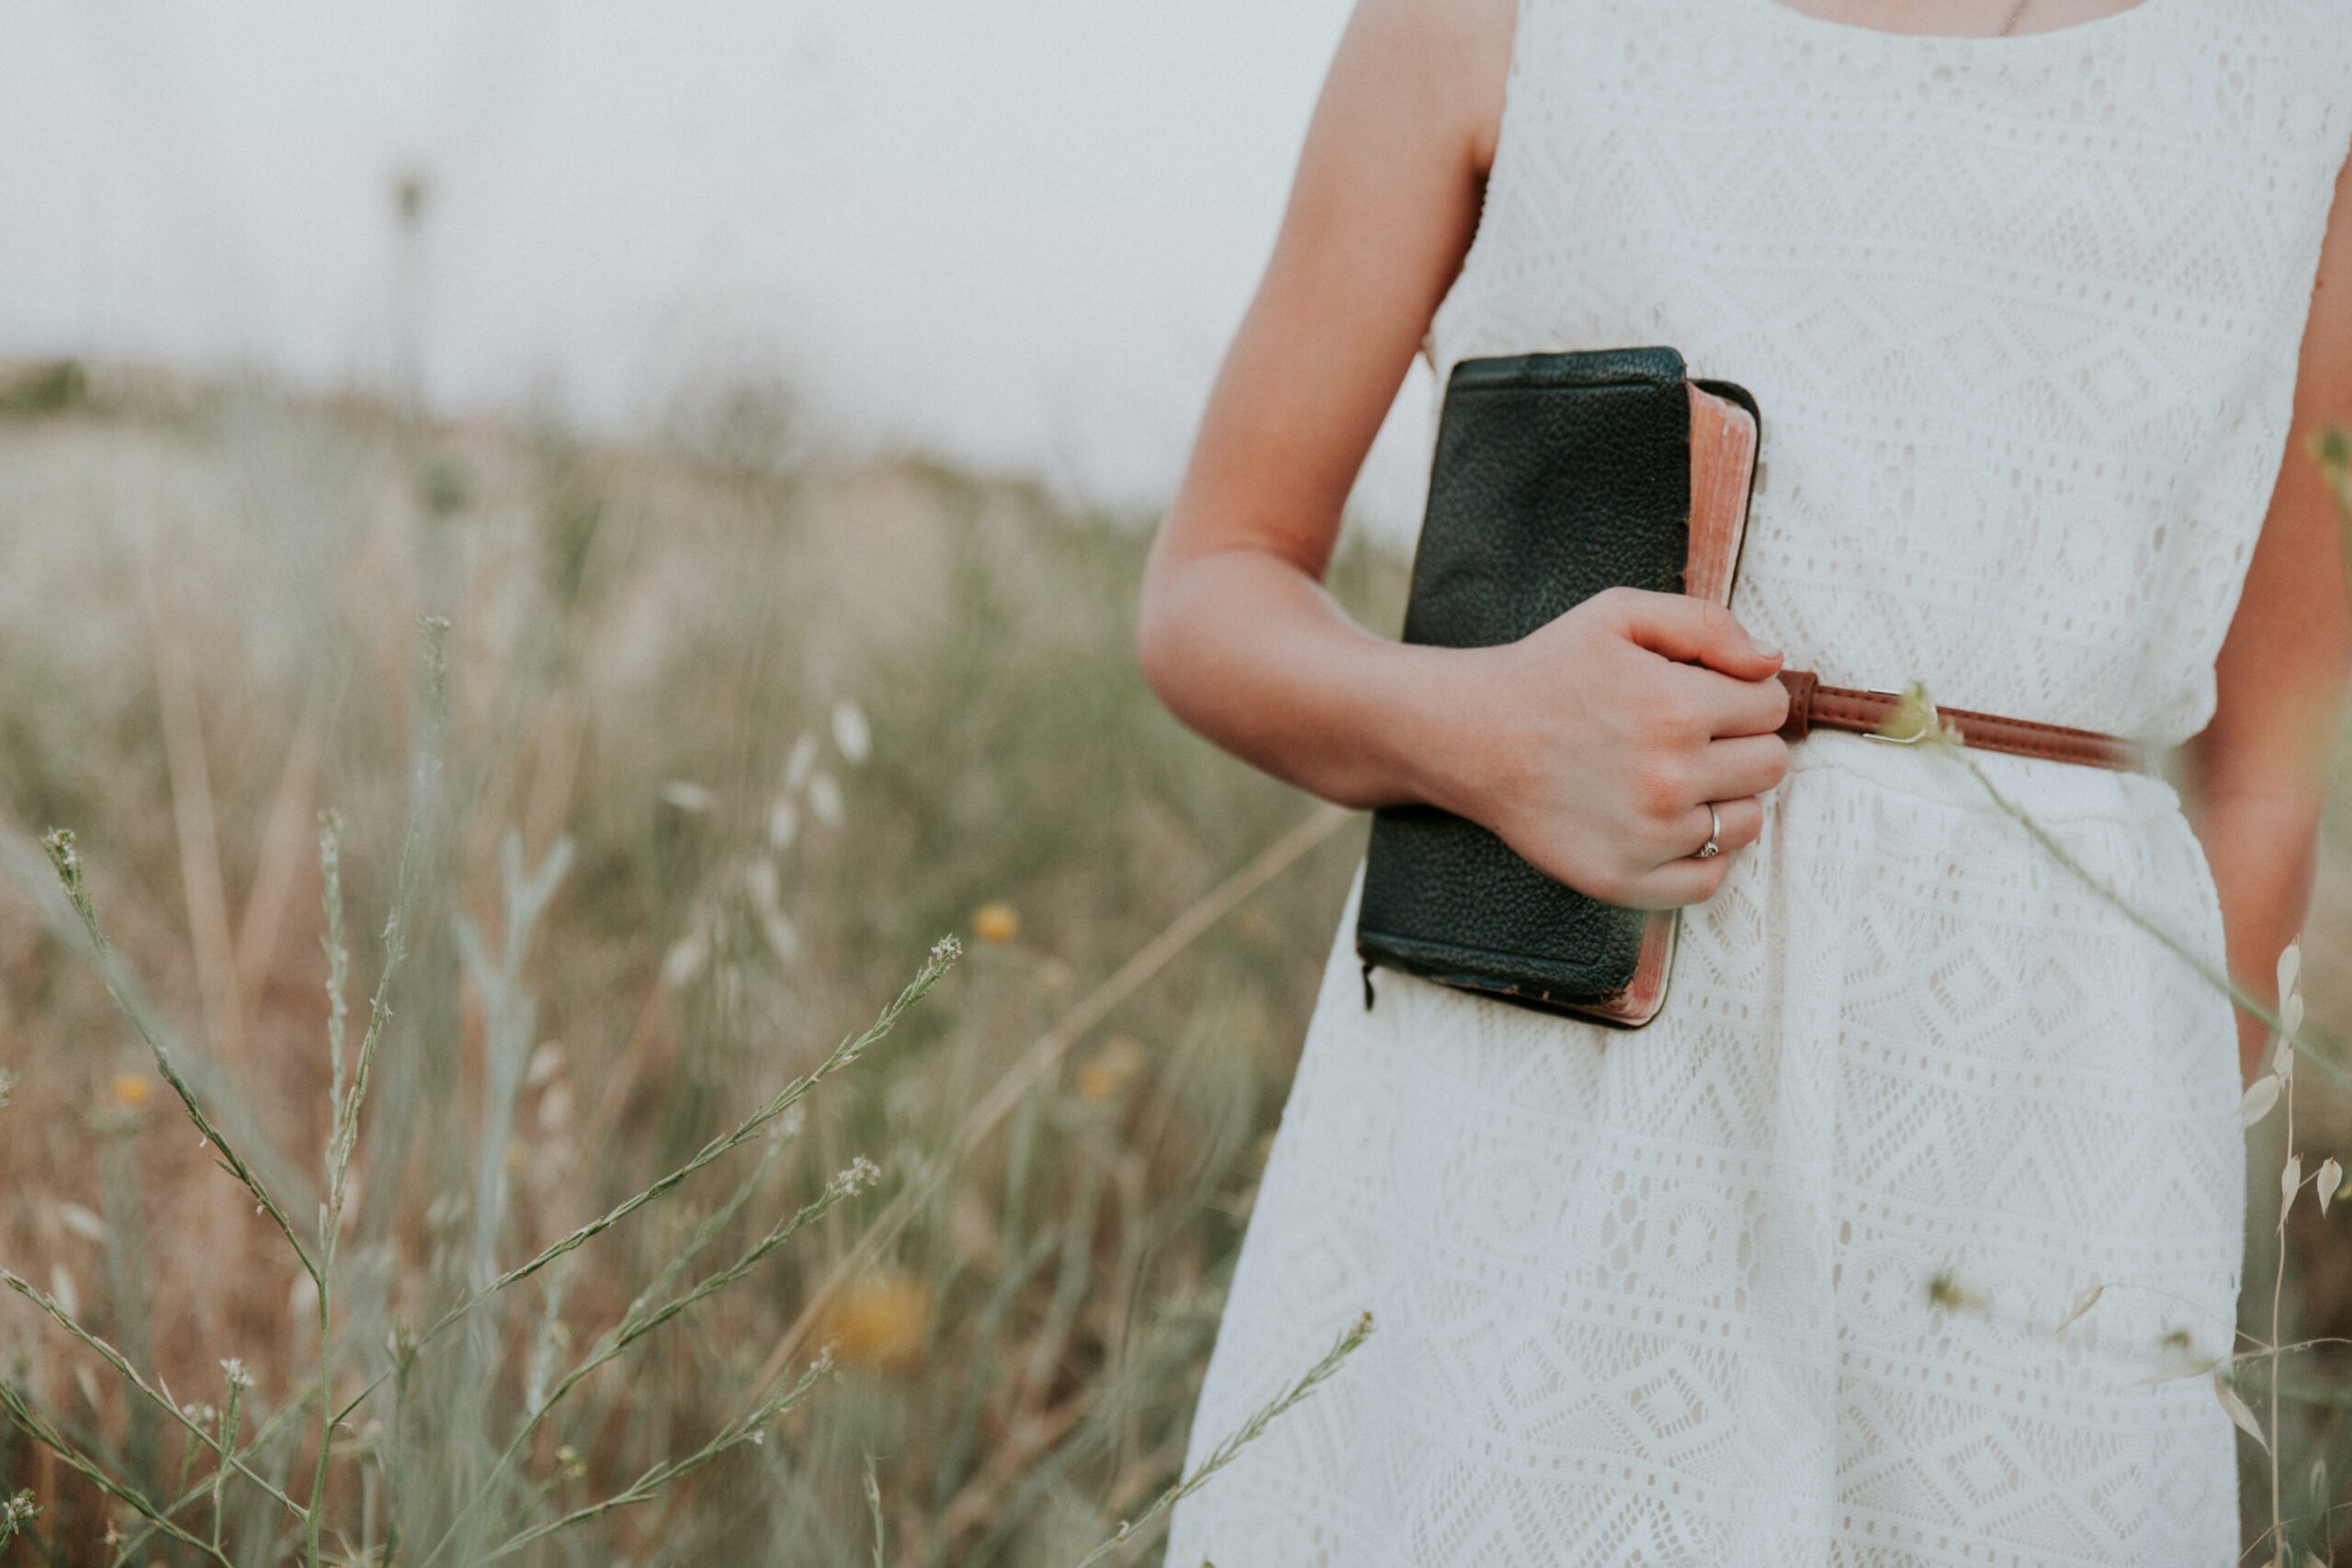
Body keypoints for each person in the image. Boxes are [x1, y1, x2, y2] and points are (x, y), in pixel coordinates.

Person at [1134, 0, 2352, 1562]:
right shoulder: (1492, 19)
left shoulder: (2298, 67)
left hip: (2055, 1168)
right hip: (1564, 1130)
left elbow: (2264, 771)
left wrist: (2144, 1178)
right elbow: (1211, 589)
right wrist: (1488, 730)